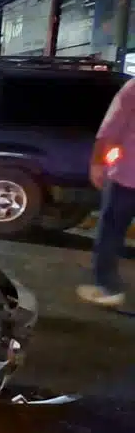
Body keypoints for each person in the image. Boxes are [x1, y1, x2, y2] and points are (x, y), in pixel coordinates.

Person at [76, 74, 135, 308]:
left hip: (127, 176)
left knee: (111, 230)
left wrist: (98, 164)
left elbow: (110, 130)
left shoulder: (132, 89)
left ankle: (108, 287)